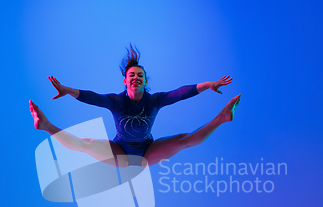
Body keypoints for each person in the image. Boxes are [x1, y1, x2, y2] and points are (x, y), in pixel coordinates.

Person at [30, 45, 241, 168]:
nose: (136, 78)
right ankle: (47, 125)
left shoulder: (155, 100)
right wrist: (68, 90)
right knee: (86, 143)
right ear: (125, 80)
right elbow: (93, 97)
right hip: (120, 152)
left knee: (184, 140)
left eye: (140, 76)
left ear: (146, 81)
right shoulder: (116, 101)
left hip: (147, 152)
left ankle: (222, 118)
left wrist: (208, 85)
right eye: (132, 75)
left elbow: (181, 93)